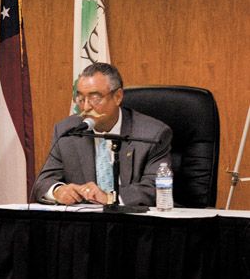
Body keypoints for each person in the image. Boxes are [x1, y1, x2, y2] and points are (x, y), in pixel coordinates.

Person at [31, 62, 172, 207]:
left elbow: (156, 187)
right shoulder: (67, 131)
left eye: (95, 98)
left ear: (117, 97)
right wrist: (58, 191)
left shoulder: (152, 134)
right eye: (80, 99)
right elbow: (43, 182)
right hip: (85, 219)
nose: (86, 107)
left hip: (133, 218)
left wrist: (110, 198)